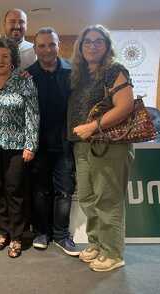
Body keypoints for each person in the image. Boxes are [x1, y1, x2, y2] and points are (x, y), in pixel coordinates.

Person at [67, 24, 134, 271]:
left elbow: (125, 106)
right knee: (86, 197)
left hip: (109, 146)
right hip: (83, 147)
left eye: (98, 41)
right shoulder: (80, 75)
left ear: (106, 46)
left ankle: (113, 252)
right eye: (87, 42)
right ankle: (96, 243)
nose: (92, 46)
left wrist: (93, 126)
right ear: (80, 47)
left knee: (107, 199)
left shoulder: (114, 71)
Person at [0, 38, 39, 258]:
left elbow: (33, 114)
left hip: (16, 145)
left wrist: (31, 144)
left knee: (15, 190)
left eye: (5, 56)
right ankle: (2, 231)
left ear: (13, 60)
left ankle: (17, 236)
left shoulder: (24, 81)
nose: (0, 60)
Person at [26, 27, 79, 256]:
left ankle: (61, 235)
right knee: (40, 191)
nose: (47, 49)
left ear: (59, 45)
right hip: (38, 144)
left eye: (51, 44)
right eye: (42, 45)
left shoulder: (72, 72)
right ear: (35, 48)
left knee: (64, 191)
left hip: (65, 143)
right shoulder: (27, 75)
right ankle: (42, 232)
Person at [0, 8, 37, 227]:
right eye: (12, 22)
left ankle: (19, 227)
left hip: (19, 134)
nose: (16, 26)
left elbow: (32, 109)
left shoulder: (33, 51)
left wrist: (30, 142)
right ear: (4, 24)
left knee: (16, 185)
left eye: (21, 22)